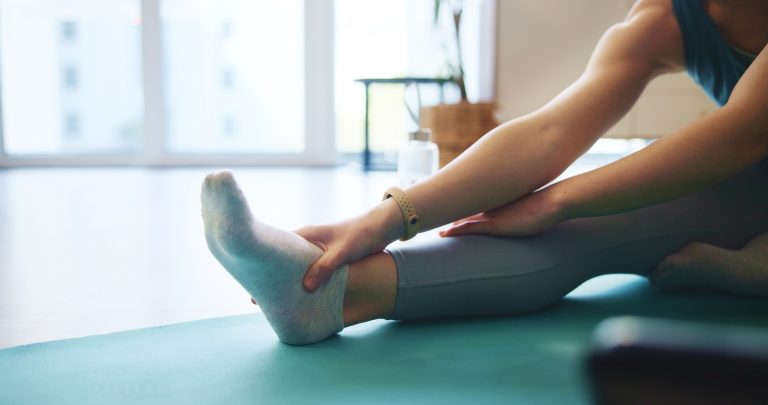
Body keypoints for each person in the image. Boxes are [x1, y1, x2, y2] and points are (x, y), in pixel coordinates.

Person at [201, 0, 768, 345]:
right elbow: (548, 133)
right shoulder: (665, 18)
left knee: (599, 221)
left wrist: (554, 202)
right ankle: (326, 296)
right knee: (571, 216)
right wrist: (387, 218)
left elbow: (744, 133)